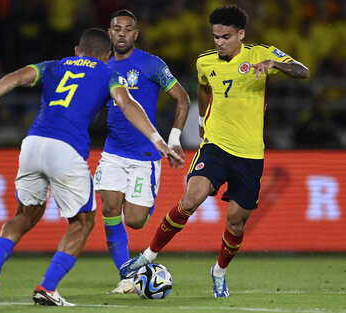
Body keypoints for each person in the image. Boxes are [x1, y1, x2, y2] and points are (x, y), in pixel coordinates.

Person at [0, 28, 183, 306]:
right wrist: (157, 140)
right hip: (65, 148)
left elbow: (14, 77)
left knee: (24, 215)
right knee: (83, 222)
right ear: (107, 55)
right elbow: (127, 105)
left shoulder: (54, 65)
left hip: (32, 143)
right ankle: (47, 287)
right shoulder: (108, 73)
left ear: (77, 51)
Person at [119, 5, 310, 298]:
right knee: (190, 200)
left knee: (235, 221)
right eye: (215, 36)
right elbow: (203, 86)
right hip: (216, 146)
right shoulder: (205, 61)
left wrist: (275, 64)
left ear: (241, 34)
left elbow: (303, 71)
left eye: (225, 36)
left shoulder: (261, 53)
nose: (219, 42)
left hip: (250, 154)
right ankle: (148, 255)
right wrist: (201, 122)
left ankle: (219, 272)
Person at [94, 9, 190, 294]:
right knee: (110, 209)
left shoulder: (151, 64)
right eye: (116, 28)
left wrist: (173, 139)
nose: (122, 33)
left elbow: (182, 98)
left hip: (145, 156)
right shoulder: (101, 66)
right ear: (109, 33)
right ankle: (126, 277)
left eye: (128, 29)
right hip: (112, 151)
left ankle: (137, 259)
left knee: (134, 221)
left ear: (136, 34)